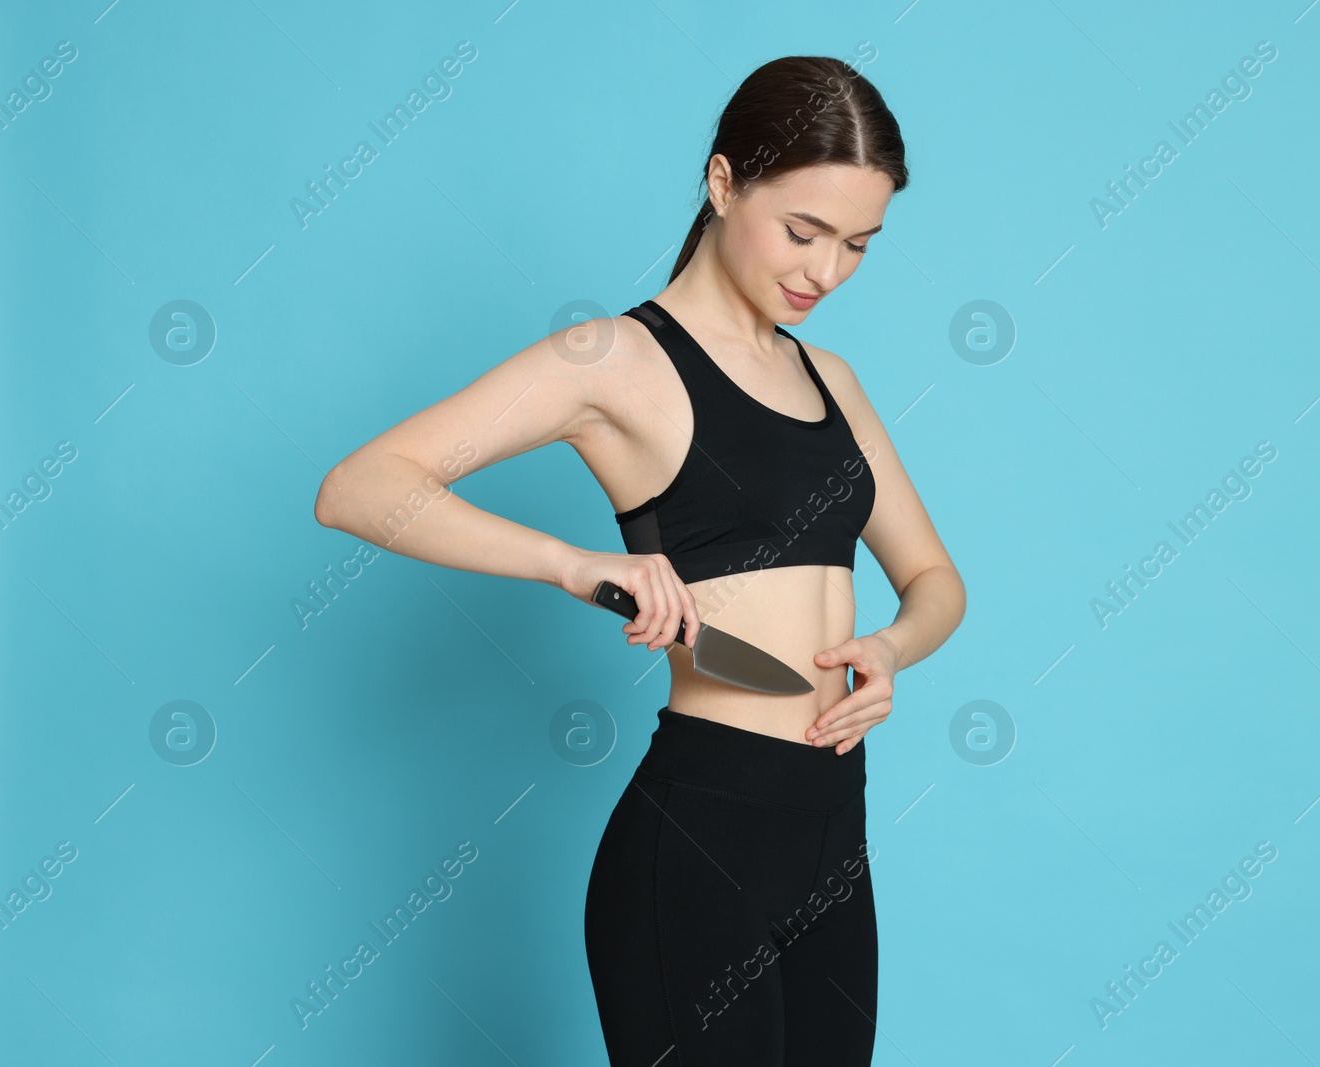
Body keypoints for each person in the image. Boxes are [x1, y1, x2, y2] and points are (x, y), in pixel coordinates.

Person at [313, 53, 965, 1066]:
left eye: (857, 245)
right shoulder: (614, 360)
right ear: (722, 181)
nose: (824, 272)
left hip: (835, 837)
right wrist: (566, 562)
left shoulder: (832, 378)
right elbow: (357, 486)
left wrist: (892, 648)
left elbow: (935, 582)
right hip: (702, 841)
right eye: (802, 231)